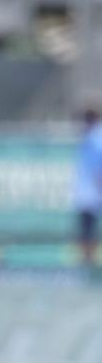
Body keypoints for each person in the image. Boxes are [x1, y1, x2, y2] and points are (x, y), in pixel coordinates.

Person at [72, 108, 102, 267]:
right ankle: (87, 262)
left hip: (93, 193)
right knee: (87, 229)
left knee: (89, 229)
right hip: (88, 193)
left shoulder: (96, 138)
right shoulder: (89, 137)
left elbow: (98, 167)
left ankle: (89, 263)